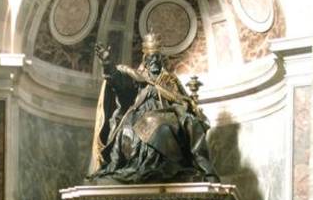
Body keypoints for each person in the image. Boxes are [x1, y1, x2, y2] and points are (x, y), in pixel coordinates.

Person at [89, 31, 218, 184]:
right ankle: (156, 166)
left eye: (157, 57)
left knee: (192, 122)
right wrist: (107, 64)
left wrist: (185, 105)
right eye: (151, 58)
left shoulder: (170, 79)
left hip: (171, 113)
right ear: (145, 58)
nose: (155, 61)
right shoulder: (137, 78)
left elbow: (183, 99)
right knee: (160, 127)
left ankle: (206, 169)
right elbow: (119, 84)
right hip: (143, 114)